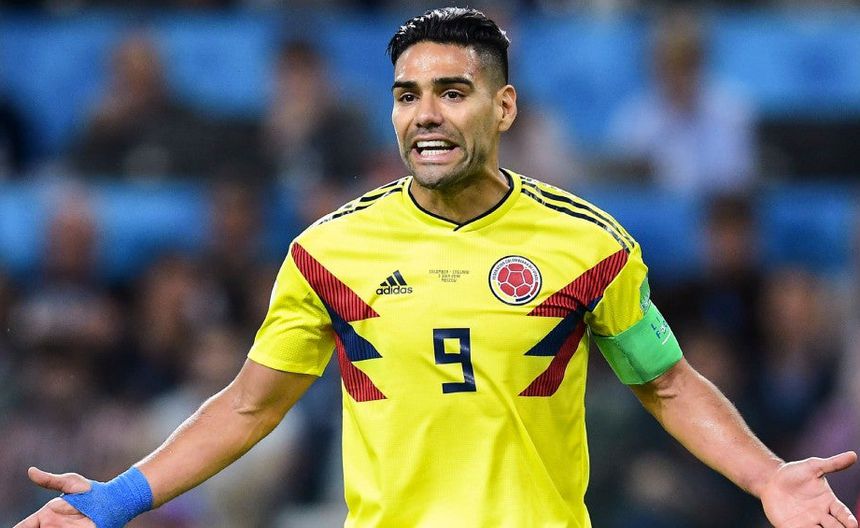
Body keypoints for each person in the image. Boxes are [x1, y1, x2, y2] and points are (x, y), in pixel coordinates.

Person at [15, 7, 858, 528]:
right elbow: (248, 405)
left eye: (452, 92)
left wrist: (768, 477)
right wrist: (116, 500)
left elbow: (668, 384)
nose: (425, 115)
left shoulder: (590, 243)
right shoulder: (328, 251)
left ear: (504, 106)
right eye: (406, 95)